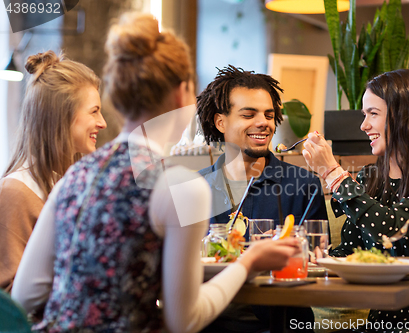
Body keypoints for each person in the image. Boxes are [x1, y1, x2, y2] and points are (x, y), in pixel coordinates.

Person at [11, 13, 299, 333]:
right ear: (183, 92)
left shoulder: (75, 176)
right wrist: (249, 262)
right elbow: (184, 321)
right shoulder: (180, 185)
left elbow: (24, 297)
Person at [302, 69, 409, 331]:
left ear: (404, 118)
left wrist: (332, 174)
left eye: (373, 114)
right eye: (364, 115)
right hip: (380, 322)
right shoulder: (371, 178)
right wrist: (319, 258)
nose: (363, 126)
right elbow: (354, 251)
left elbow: (392, 228)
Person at [0, 51, 107, 292]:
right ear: (62, 116)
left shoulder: (68, 183)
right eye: (94, 111)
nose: (102, 122)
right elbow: (10, 300)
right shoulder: (16, 193)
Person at [197, 65, 328, 239]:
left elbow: (320, 256)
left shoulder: (305, 186)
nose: (263, 123)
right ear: (221, 122)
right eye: (249, 115)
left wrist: (297, 247)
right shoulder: (195, 188)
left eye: (268, 115)